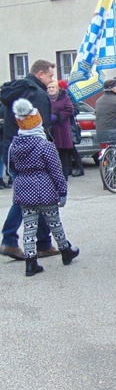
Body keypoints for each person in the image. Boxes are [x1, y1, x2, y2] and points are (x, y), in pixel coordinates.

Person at [8, 98, 79, 276]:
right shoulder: (44, 145)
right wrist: (62, 191)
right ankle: (65, 251)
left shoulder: (14, 145)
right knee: (54, 222)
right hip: (44, 189)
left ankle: (30, 262)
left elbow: (11, 169)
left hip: (23, 189)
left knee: (29, 226)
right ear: (36, 123)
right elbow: (56, 170)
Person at [0, 59, 57, 260]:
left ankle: (43, 242)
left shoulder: (16, 90)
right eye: (50, 75)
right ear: (40, 74)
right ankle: (9, 239)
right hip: (31, 152)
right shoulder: (37, 94)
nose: (52, 80)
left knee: (31, 195)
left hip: (12, 148)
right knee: (26, 198)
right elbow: (41, 127)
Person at [47, 79, 74, 180]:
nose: (51, 89)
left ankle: (64, 176)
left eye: (53, 87)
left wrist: (58, 116)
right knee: (50, 153)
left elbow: (70, 109)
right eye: (49, 87)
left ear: (57, 88)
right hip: (50, 129)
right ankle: (53, 176)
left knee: (63, 153)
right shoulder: (46, 98)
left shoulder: (64, 97)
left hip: (61, 128)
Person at [59, 79, 85, 177]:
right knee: (67, 148)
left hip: (69, 125)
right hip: (63, 125)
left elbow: (76, 109)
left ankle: (79, 168)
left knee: (71, 147)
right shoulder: (59, 97)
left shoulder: (69, 97)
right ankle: (69, 168)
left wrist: (67, 112)